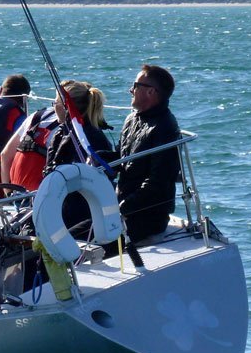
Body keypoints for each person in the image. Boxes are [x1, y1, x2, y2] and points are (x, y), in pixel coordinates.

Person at [116, 64, 181, 243]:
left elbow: (158, 182)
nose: (131, 90)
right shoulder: (132, 119)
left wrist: (121, 207)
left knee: (86, 237)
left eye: (135, 86)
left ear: (151, 92)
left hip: (146, 216)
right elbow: (118, 158)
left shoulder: (166, 128)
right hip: (122, 207)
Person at [43, 80, 113, 235]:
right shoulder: (65, 132)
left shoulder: (86, 138)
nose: (53, 107)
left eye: (55, 103)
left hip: (80, 211)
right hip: (63, 205)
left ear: (65, 106)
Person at [0, 105, 59, 191]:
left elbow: (5, 155)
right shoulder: (72, 128)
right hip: (42, 197)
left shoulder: (37, 115)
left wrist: (8, 194)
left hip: (16, 194)